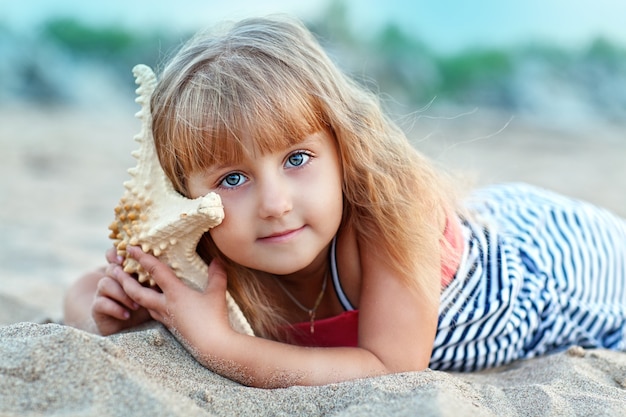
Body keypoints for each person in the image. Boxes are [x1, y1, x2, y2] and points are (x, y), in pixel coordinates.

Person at [63, 15, 626, 388]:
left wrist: (218, 344)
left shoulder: (385, 213)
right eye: (232, 179)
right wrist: (110, 312)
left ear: (344, 147)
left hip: (567, 266)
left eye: (297, 159)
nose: (276, 204)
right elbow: (85, 293)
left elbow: (390, 366)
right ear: (184, 191)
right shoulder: (205, 240)